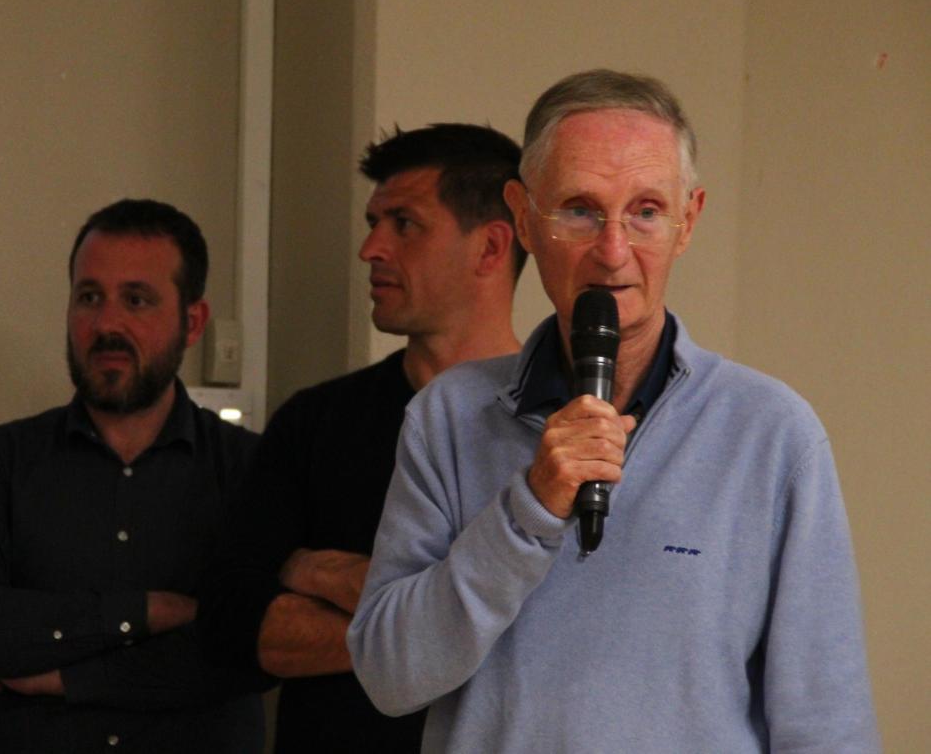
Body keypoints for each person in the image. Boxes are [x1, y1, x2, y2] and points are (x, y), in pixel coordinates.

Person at [348, 71, 880, 753]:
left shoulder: (772, 433)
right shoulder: (447, 418)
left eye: (646, 211)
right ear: (523, 217)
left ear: (688, 221)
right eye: (579, 210)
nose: (613, 251)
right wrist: (528, 512)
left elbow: (827, 727)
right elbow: (389, 677)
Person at [198, 123, 525, 752]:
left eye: (404, 224)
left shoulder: (563, 431)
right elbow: (231, 626)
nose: (370, 249)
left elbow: (576, 635)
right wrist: (468, 620)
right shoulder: (315, 423)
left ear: (490, 247)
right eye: (375, 223)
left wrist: (317, 572)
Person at [0, 199, 272, 753]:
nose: (106, 324)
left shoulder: (254, 471)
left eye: (137, 299)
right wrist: (153, 612)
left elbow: (255, 648)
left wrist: (64, 676)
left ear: (193, 322)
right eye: (89, 297)